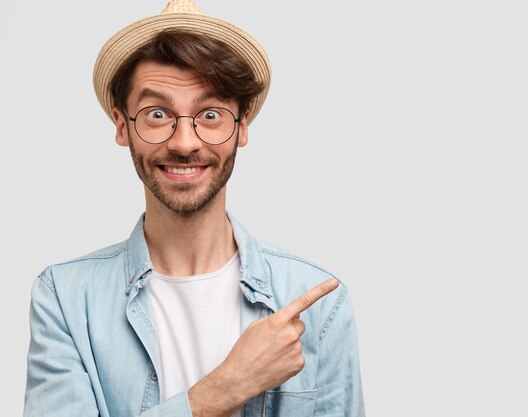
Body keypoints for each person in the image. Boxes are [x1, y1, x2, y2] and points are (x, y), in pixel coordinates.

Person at [23, 1, 365, 416]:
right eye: (156, 113)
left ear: (242, 126)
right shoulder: (65, 298)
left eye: (210, 114)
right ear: (121, 125)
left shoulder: (319, 303)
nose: (185, 143)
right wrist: (227, 386)